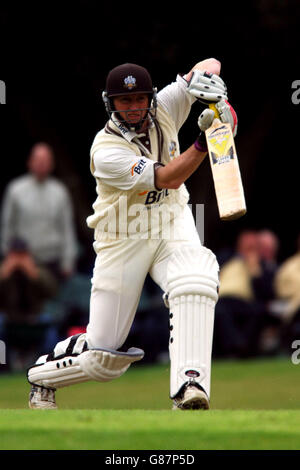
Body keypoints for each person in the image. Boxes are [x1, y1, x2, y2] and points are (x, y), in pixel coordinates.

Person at [27, 59, 237, 410]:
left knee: (196, 277)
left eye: (140, 98)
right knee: (103, 358)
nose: (134, 107)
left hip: (172, 219)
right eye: (125, 101)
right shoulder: (105, 150)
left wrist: (215, 92)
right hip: (123, 237)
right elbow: (169, 177)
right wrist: (204, 141)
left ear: (151, 97)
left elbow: (209, 64)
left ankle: (189, 386)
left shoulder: (168, 104)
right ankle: (42, 375)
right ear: (111, 103)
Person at [1, 142, 77, 280]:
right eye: (38, 159)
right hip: (21, 258)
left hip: (52, 260)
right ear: (30, 162)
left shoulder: (60, 192)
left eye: (45, 160)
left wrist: (68, 262)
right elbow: (7, 225)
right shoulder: (15, 190)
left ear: (52, 164)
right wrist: (7, 255)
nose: (41, 164)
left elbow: (67, 228)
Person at [0, 238, 58, 368]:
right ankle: (3, 365)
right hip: (9, 317)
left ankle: (47, 365)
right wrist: (4, 275)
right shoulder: (3, 271)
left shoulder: (38, 270)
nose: (19, 259)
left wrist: (33, 274)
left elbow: (53, 292)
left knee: (50, 327)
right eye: (16, 255)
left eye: (22, 255)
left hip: (35, 315)